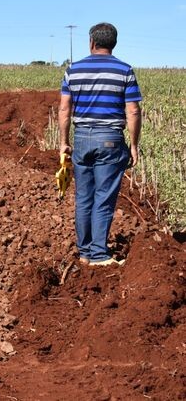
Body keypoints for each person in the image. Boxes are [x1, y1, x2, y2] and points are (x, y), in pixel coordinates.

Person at [58, 22, 142, 267]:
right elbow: (133, 111)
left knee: (84, 197)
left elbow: (64, 109)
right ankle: (99, 255)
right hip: (110, 139)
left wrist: (64, 142)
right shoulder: (124, 71)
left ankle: (85, 253)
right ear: (113, 44)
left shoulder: (73, 70)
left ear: (91, 42)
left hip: (82, 137)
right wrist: (134, 145)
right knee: (103, 199)